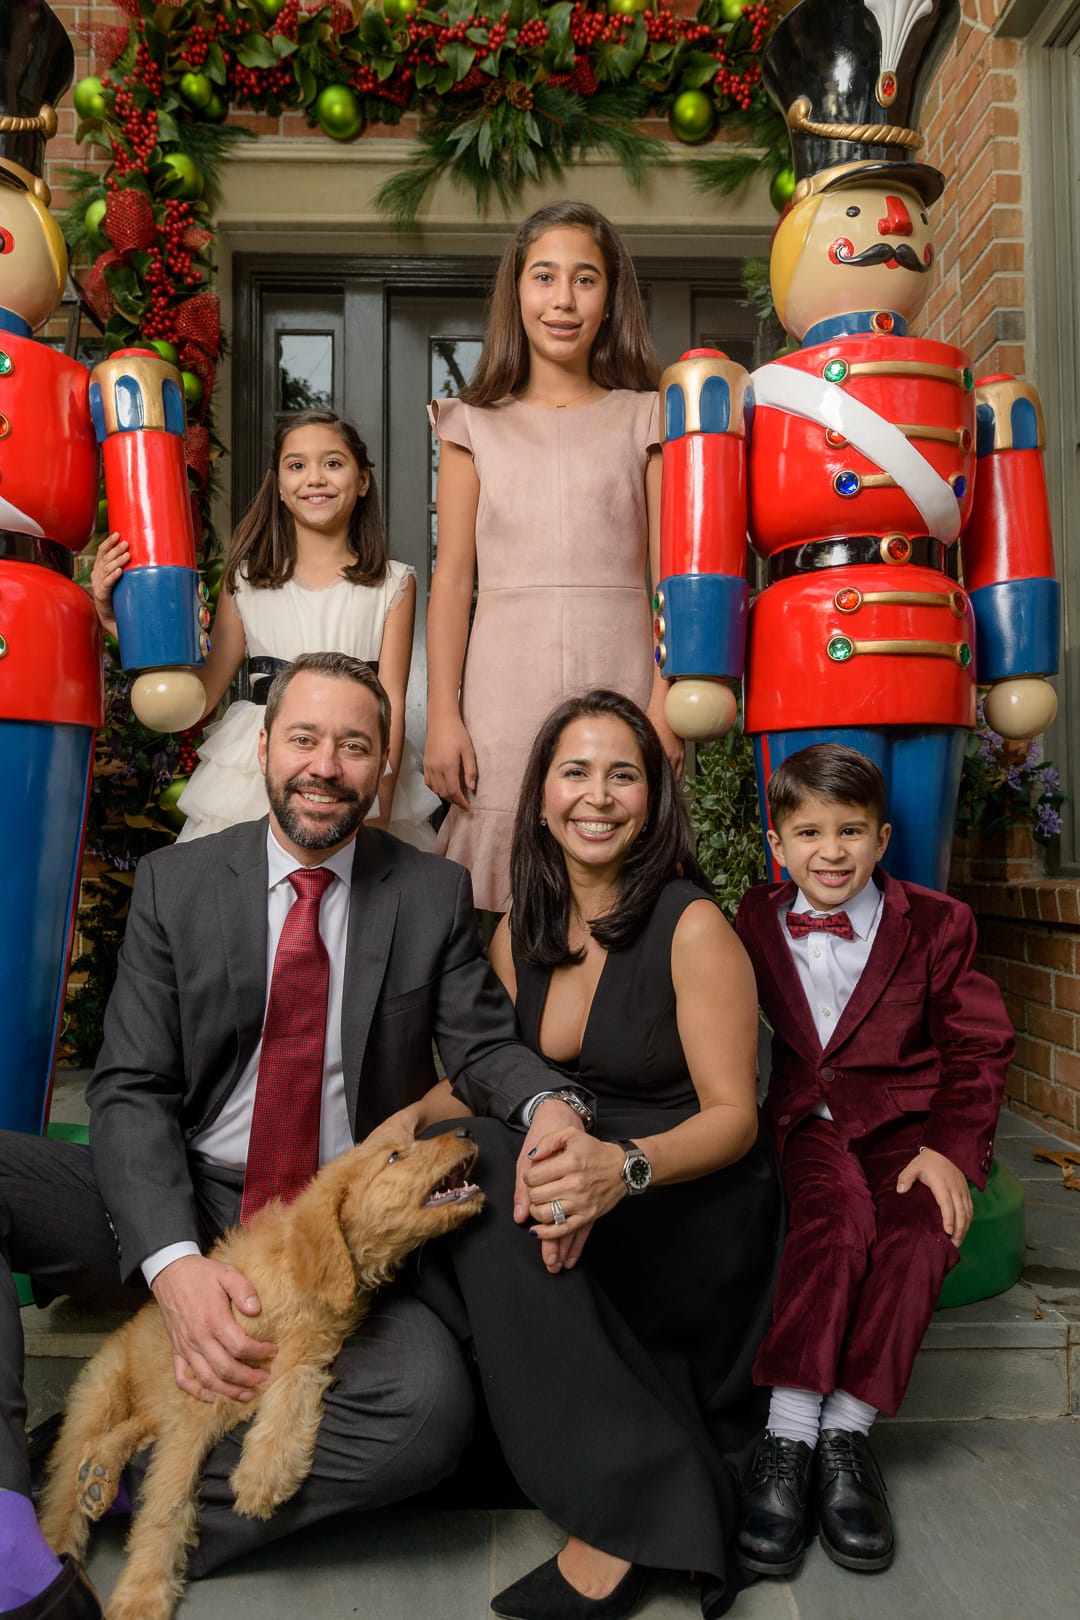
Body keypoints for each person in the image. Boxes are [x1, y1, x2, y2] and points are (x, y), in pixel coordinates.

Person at [0, 652, 567, 1620]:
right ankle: (10, 1512)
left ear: (381, 769)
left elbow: (482, 1049)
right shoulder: (179, 885)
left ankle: (118, 1485)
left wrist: (551, 1106)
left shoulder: (426, 894)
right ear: (264, 748)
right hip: (185, 1191)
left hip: (328, 1233)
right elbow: (131, 1087)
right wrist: (175, 1263)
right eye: (304, 738)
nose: (325, 766)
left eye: (354, 747)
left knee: (426, 1413)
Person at [433, 690, 782, 1620]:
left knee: (500, 1170)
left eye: (623, 773)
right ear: (543, 796)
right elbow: (490, 1075)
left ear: (654, 795)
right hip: (568, 1178)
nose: (599, 795)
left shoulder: (693, 925)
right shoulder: (523, 929)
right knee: (452, 1149)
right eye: (575, 771)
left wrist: (616, 1172)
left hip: (683, 1192)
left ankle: (638, 1506)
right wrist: (391, 1129)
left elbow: (734, 1118)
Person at [733, 743, 1014, 1580]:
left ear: (883, 838)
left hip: (910, 1123)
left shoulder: (937, 921)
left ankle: (847, 1434)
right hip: (807, 1120)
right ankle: (788, 1439)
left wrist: (953, 1154)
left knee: (924, 1230)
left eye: (851, 831)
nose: (831, 851)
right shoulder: (748, 919)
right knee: (833, 1222)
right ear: (776, 843)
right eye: (809, 832)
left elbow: (979, 1047)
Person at [424, 200, 683, 914]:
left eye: (585, 280)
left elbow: (671, 577)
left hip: (624, 662)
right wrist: (443, 715)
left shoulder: (650, 416)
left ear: (611, 298)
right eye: (544, 277)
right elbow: (452, 580)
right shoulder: (471, 425)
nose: (562, 300)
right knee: (505, 883)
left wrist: (666, 703)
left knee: (620, 861)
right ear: (516, 291)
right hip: (504, 674)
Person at [91, 409, 439, 846]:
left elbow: (391, 703)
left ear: (363, 480)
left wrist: (379, 804)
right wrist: (117, 623)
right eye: (297, 465)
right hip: (255, 776)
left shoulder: (393, 583)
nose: (315, 478)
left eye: (332, 463)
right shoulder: (245, 583)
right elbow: (198, 697)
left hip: (353, 763)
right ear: (278, 485)